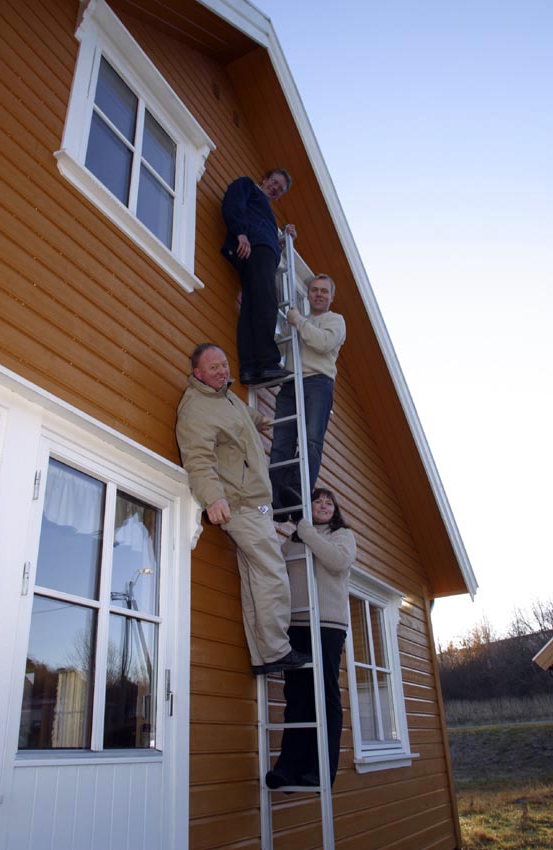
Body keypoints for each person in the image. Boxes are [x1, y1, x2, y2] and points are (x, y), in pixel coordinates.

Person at [175, 343, 311, 675]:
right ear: (198, 374)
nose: (222, 371)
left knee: (257, 576)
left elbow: (241, 418)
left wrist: (260, 420)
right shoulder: (196, 409)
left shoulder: (226, 397)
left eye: (224, 365)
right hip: (241, 503)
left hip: (253, 501)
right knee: (272, 573)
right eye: (214, 368)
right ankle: (277, 650)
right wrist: (213, 498)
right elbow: (198, 461)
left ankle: (266, 655)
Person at [265, 488, 356, 790]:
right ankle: (289, 769)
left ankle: (322, 769)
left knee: (325, 694)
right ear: (309, 506)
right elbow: (278, 570)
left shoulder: (341, 535)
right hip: (297, 624)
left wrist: (304, 529)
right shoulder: (294, 539)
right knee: (297, 697)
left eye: (330, 501)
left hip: (328, 625)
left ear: (335, 509)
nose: (324, 505)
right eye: (318, 500)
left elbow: (337, 562)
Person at [269, 274, 346, 519]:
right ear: (309, 293)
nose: (319, 294)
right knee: (281, 440)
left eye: (324, 291)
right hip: (292, 382)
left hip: (317, 383)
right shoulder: (298, 323)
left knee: (311, 441)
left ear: (331, 297)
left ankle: (298, 492)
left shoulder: (334, 320)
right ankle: (278, 500)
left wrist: (298, 322)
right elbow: (280, 346)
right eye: (314, 290)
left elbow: (322, 343)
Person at [221, 169, 296, 385]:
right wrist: (240, 233)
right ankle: (268, 363)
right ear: (264, 180)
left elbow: (265, 235)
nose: (275, 188)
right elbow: (233, 204)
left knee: (252, 308)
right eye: (274, 182)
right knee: (266, 302)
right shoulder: (247, 186)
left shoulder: (268, 216)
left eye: (280, 189)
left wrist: (283, 241)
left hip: (263, 252)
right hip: (254, 247)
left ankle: (249, 369)